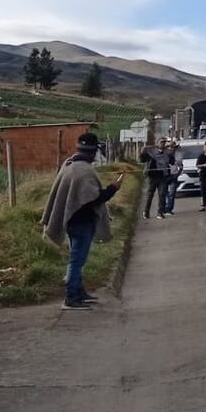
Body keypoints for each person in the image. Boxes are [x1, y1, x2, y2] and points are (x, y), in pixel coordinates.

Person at [41, 132, 122, 311]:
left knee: (78, 258)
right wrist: (113, 188)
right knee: (77, 260)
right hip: (81, 222)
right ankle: (71, 297)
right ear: (92, 151)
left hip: (72, 220)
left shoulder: (69, 165)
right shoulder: (83, 170)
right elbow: (94, 198)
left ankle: (79, 292)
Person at [139, 138, 173, 219]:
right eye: (161, 142)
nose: (163, 144)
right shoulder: (151, 152)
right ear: (157, 143)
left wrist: (172, 152)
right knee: (150, 195)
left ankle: (160, 212)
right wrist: (142, 152)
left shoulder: (167, 153)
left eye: (164, 142)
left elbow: (172, 162)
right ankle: (146, 212)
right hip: (152, 177)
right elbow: (142, 160)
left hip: (162, 177)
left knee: (162, 195)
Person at [164, 141, 182, 216]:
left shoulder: (178, 155)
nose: (171, 148)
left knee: (172, 193)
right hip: (165, 176)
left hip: (174, 176)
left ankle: (169, 209)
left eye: (172, 147)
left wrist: (177, 174)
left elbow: (181, 166)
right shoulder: (163, 155)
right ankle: (163, 208)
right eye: (169, 147)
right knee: (164, 193)